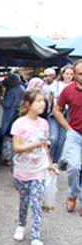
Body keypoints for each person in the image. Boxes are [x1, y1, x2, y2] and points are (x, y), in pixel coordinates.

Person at [10, 88, 57, 245]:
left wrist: (50, 163)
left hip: (39, 169)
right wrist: (35, 145)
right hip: (23, 170)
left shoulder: (44, 124)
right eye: (38, 101)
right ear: (28, 104)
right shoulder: (19, 124)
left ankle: (36, 239)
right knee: (24, 201)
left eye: (43, 101)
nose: (42, 104)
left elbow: (45, 148)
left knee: (37, 203)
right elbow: (16, 148)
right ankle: (21, 225)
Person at [53, 59, 82, 214]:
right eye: (80, 74)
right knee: (74, 167)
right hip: (75, 134)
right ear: (75, 75)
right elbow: (56, 109)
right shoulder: (68, 90)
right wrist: (67, 128)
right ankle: (72, 194)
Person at [49, 65, 75, 164]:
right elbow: (50, 98)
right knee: (53, 138)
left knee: (62, 141)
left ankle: (56, 162)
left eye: (71, 74)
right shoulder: (56, 84)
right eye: (67, 73)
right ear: (63, 74)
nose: (68, 76)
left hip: (69, 115)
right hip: (55, 113)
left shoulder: (76, 86)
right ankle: (49, 159)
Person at [0, 73, 26, 165]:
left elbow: (7, 104)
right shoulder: (22, 89)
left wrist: (0, 100)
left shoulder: (12, 91)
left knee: (7, 137)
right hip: (19, 115)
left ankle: (7, 159)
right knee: (15, 137)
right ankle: (14, 157)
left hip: (10, 116)